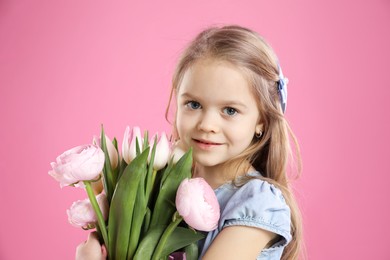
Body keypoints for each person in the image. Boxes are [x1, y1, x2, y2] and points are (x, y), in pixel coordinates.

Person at [76, 25, 304, 260]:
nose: (207, 124)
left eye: (230, 110)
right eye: (194, 104)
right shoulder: (158, 184)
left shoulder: (257, 203)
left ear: (262, 122)